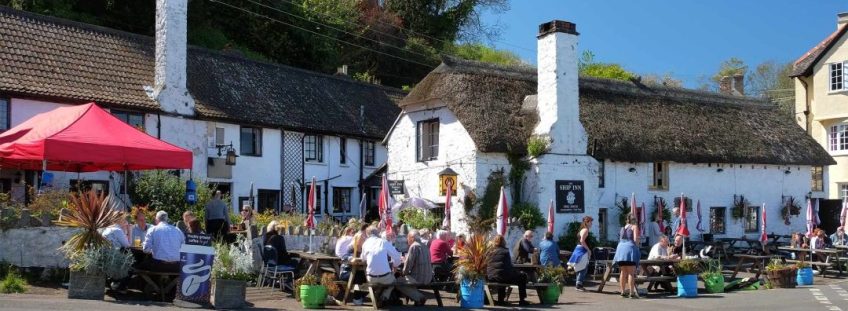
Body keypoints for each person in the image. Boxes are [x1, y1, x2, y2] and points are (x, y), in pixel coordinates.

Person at [360, 226, 416, 305]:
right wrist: (395, 266)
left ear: (367, 234)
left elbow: (363, 259)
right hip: (384, 277)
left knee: (382, 280)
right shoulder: (383, 242)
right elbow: (397, 257)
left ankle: (379, 298)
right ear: (378, 233)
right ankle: (385, 296)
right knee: (394, 280)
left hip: (370, 277)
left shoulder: (365, 243)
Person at [487, 235, 530, 306]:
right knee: (522, 276)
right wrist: (517, 272)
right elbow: (508, 266)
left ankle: (501, 300)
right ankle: (522, 300)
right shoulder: (505, 251)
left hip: (491, 277)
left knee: (501, 274)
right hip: (501, 277)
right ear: (503, 242)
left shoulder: (489, 252)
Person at [613, 214, 641, 299]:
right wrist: (637, 245)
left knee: (623, 272)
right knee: (631, 272)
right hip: (629, 249)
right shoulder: (634, 227)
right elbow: (635, 239)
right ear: (634, 220)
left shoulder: (623, 228)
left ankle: (622, 291)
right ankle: (632, 293)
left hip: (620, 249)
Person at [400, 231, 430, 306]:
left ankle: (419, 297)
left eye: (408, 237)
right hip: (428, 277)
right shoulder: (424, 246)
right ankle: (415, 297)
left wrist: (403, 273)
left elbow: (408, 266)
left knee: (397, 282)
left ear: (412, 238)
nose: (407, 239)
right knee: (405, 279)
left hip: (418, 277)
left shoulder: (414, 246)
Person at [567, 216, 592, 291]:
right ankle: (579, 285)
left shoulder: (582, 229)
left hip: (579, 249)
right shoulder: (585, 230)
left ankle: (578, 284)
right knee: (583, 267)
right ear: (587, 222)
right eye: (590, 222)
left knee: (579, 267)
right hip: (582, 250)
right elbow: (582, 241)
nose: (591, 224)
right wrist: (588, 250)